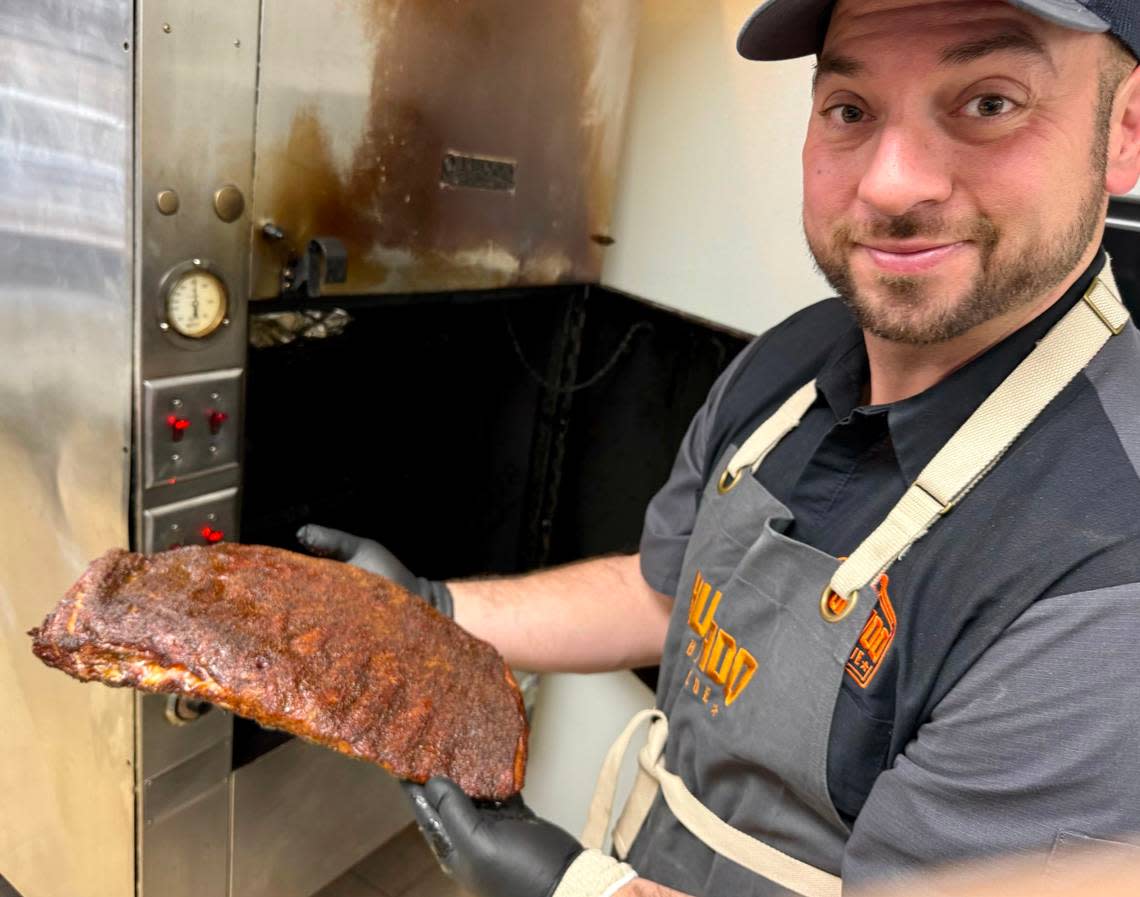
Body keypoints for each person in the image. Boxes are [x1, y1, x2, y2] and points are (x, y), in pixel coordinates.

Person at [299, 0, 1140, 894]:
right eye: (851, 110)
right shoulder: (796, 356)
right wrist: (431, 613)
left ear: (1124, 130)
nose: (893, 184)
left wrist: (577, 890)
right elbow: (673, 596)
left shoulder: (1106, 569)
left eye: (989, 103)